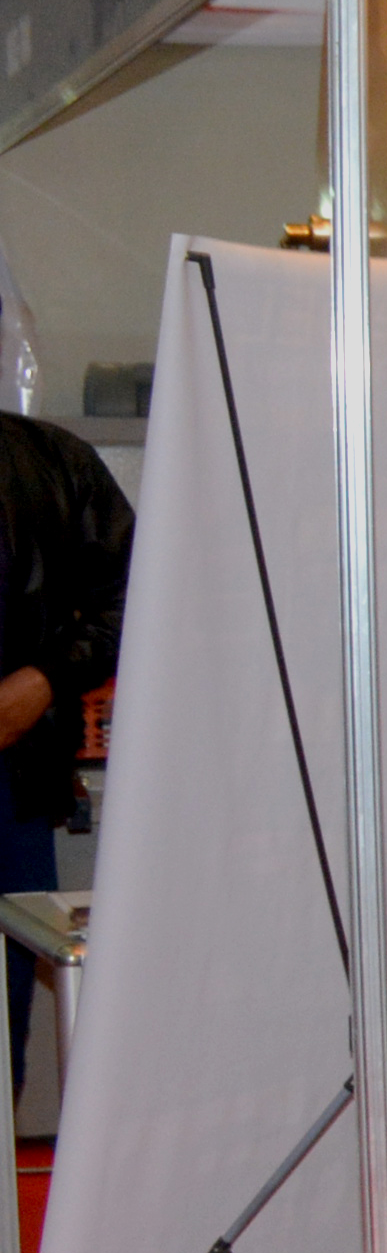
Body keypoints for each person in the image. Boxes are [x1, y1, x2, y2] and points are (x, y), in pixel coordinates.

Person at [0, 414, 128, 1106]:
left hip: (8, 789)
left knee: (1, 1027)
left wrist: (44, 679)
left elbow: (140, 590)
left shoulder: (50, 462)